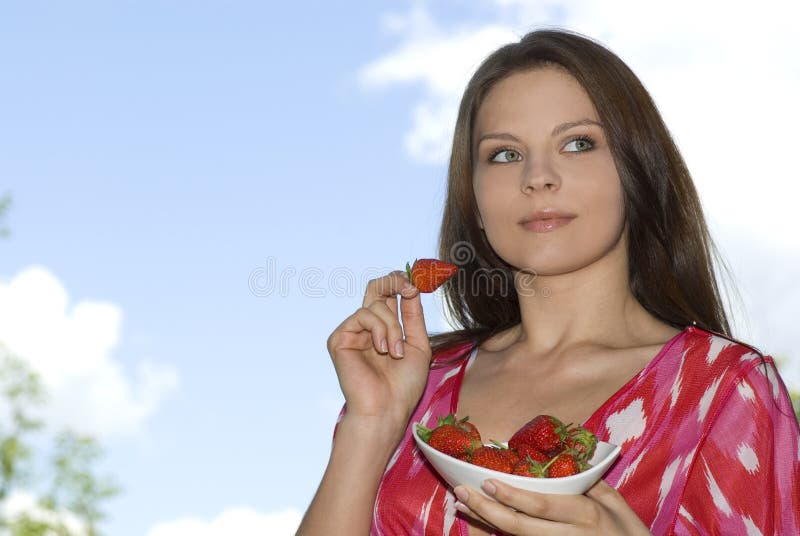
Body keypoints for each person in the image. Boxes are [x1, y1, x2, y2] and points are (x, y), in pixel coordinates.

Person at [296, 28, 800, 536]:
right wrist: (372, 423)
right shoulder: (414, 383)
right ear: (473, 196)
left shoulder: (725, 392)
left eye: (578, 144)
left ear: (637, 169)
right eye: (505, 154)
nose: (537, 177)